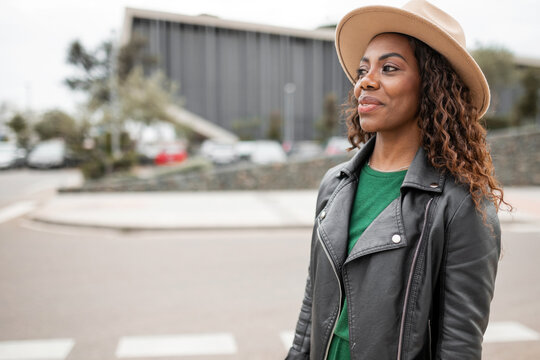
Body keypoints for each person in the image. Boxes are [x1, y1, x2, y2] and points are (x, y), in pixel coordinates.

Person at [285, 0, 510, 359]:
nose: (365, 83)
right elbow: (313, 305)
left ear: (433, 86)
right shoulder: (335, 184)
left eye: (388, 68)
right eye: (363, 70)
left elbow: (460, 345)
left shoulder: (461, 203)